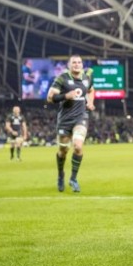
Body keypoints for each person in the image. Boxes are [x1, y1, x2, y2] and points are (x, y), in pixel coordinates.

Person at [46, 55, 95, 192]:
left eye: (79, 62)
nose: (77, 64)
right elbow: (50, 98)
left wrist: (90, 102)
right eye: (74, 62)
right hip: (65, 120)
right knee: (63, 151)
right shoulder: (62, 78)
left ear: (82, 64)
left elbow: (91, 90)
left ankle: (73, 178)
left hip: (81, 118)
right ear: (69, 65)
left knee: (78, 146)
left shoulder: (86, 78)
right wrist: (66, 96)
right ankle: (61, 175)